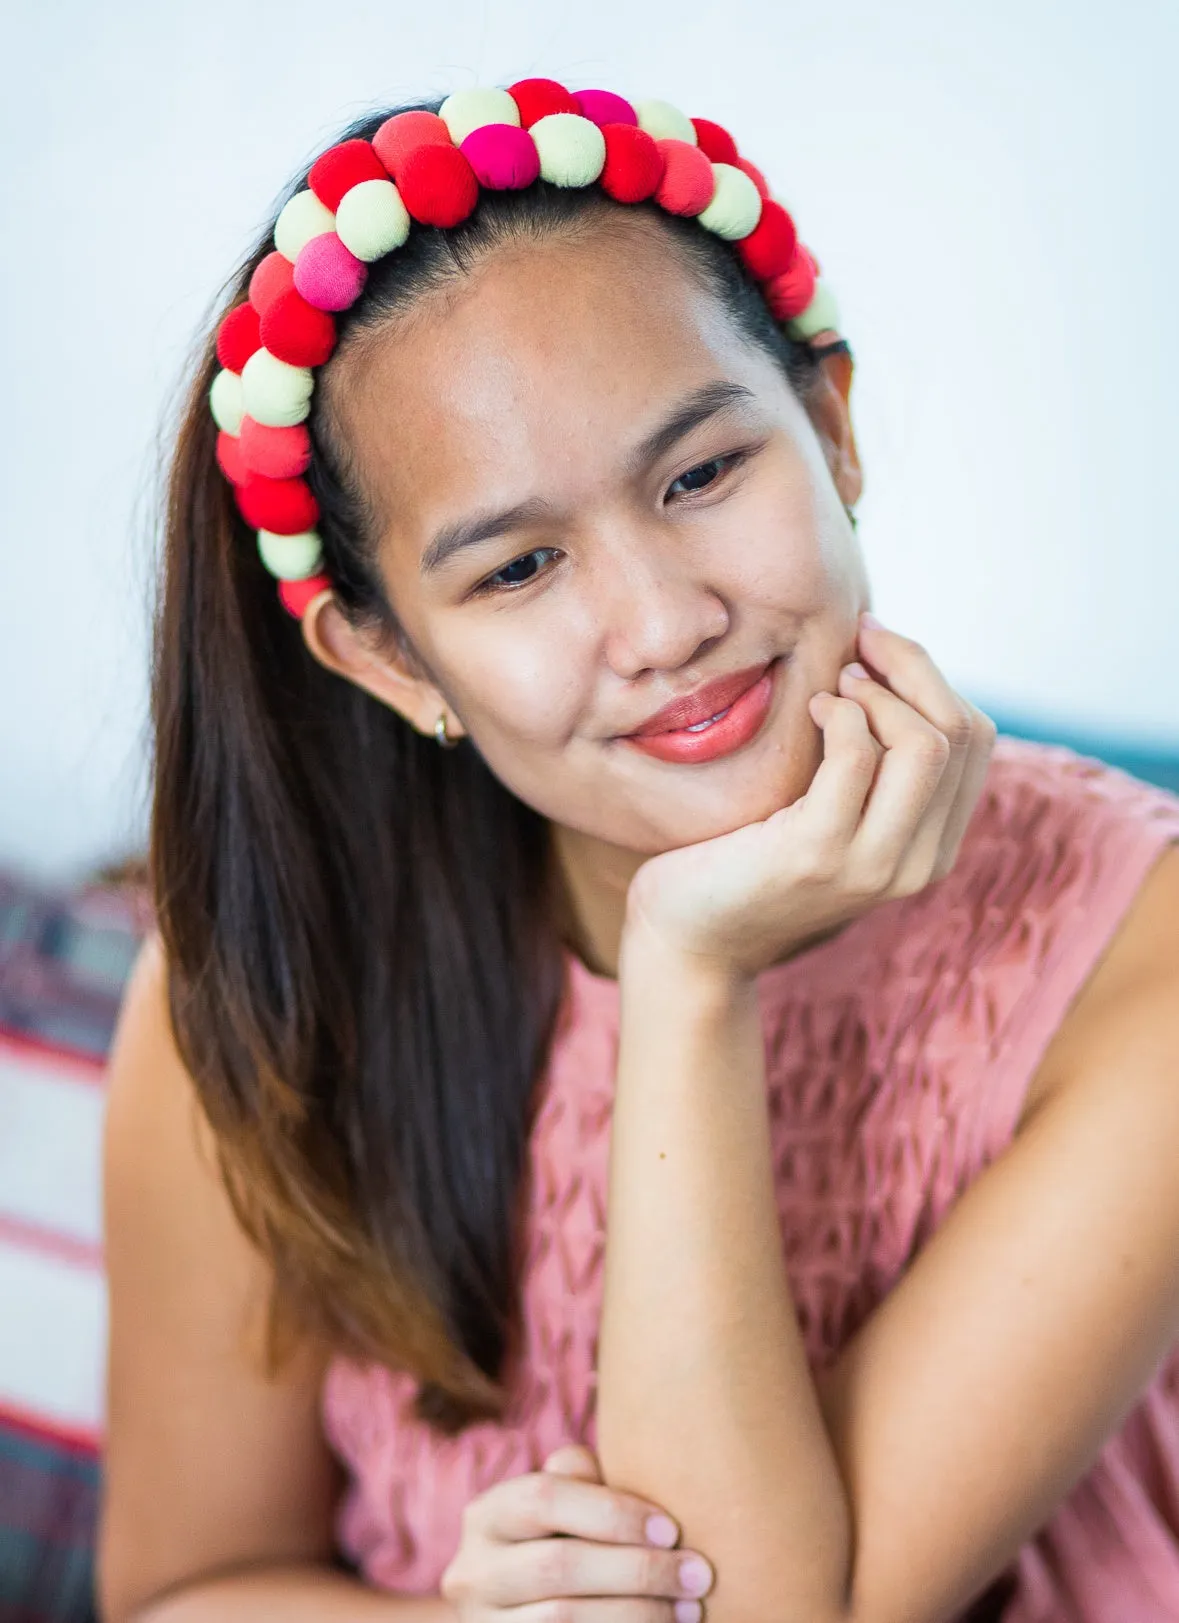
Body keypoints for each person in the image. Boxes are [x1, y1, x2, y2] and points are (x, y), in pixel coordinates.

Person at [95, 79, 1179, 1623]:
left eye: (700, 476)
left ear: (830, 424)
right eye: (520, 565)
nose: (666, 624)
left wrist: (688, 967)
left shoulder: (1146, 940)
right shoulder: (264, 993)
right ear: (390, 660)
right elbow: (186, 1587)